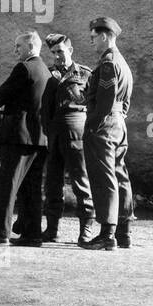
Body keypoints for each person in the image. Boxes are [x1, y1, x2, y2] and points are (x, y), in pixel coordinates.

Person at [0, 31, 50, 248]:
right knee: (32, 188)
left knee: (7, 185)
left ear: (30, 46)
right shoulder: (45, 71)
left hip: (19, 137)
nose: (15, 50)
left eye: (18, 46)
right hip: (39, 138)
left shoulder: (24, 68)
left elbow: (3, 93)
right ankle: (32, 234)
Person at [80, 17, 134, 251]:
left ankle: (107, 234)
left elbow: (104, 101)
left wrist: (92, 124)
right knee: (120, 176)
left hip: (104, 124)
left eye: (93, 37)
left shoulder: (109, 63)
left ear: (104, 36)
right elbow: (125, 101)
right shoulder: (123, 63)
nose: (91, 41)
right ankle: (124, 233)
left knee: (104, 178)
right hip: (119, 123)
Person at [41, 32, 94, 244]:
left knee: (80, 181)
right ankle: (52, 229)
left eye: (60, 52)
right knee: (52, 183)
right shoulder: (48, 74)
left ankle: (86, 228)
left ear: (70, 50)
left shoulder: (85, 74)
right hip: (53, 133)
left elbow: (93, 105)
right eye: (53, 53)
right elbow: (44, 108)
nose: (57, 57)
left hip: (76, 134)